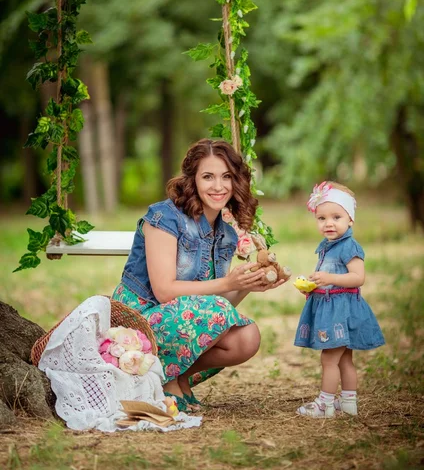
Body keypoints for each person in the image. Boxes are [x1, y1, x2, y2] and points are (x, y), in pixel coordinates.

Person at [112, 138, 287, 412]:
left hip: (181, 320)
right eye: (208, 177)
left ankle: (174, 375)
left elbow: (215, 305)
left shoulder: (226, 233)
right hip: (140, 318)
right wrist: (228, 282)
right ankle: (165, 381)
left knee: (246, 337)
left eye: (226, 177)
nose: (218, 186)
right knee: (216, 310)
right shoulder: (163, 217)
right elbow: (164, 291)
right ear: (192, 179)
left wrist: (247, 285)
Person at [294, 181, 385, 418]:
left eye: (336, 217)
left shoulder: (349, 246)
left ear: (350, 219)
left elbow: (358, 277)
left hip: (342, 311)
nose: (329, 223)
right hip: (334, 307)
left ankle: (325, 404)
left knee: (329, 358)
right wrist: (314, 286)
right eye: (322, 218)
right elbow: (333, 280)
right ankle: (348, 403)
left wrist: (328, 277)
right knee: (344, 359)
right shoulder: (328, 247)